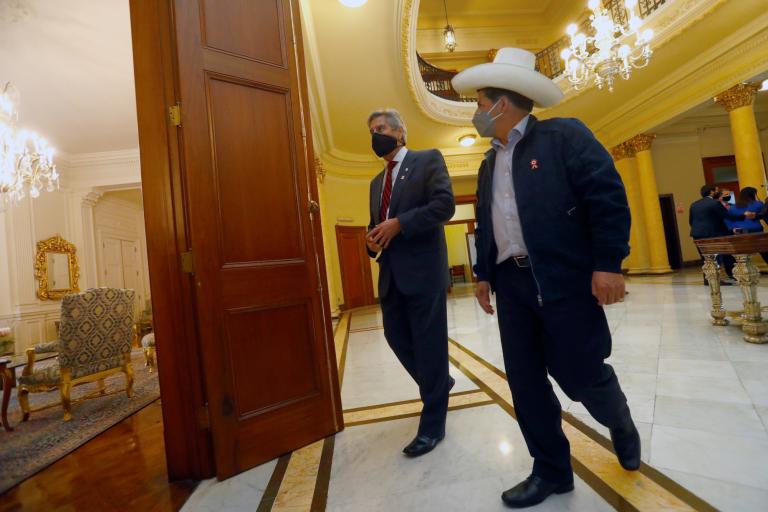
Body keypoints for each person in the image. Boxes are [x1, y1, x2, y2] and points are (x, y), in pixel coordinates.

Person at [451, 48, 639, 509]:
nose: (475, 111)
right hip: (510, 285)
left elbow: (607, 197)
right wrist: (482, 274)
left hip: (564, 279)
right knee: (526, 381)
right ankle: (552, 471)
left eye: (479, 102)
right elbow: (488, 221)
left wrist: (608, 263)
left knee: (581, 372)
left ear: (503, 103)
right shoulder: (488, 162)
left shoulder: (564, 137)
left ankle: (618, 418)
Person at [365, 109, 456, 457]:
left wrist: (401, 223)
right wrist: (370, 241)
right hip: (391, 275)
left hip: (423, 270)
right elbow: (375, 225)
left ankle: (433, 425)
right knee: (396, 336)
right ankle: (439, 385)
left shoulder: (427, 159)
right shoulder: (376, 183)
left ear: (401, 132)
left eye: (382, 128)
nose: (377, 134)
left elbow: (444, 205)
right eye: (372, 130)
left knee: (430, 345)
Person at [689, 184, 751, 284]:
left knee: (705, 258)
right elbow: (728, 216)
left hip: (697, 234)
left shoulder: (694, 204)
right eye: (717, 190)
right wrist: (743, 215)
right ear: (711, 192)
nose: (718, 192)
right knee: (715, 257)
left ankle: (708, 279)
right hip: (712, 234)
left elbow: (691, 221)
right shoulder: (715, 203)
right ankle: (715, 280)